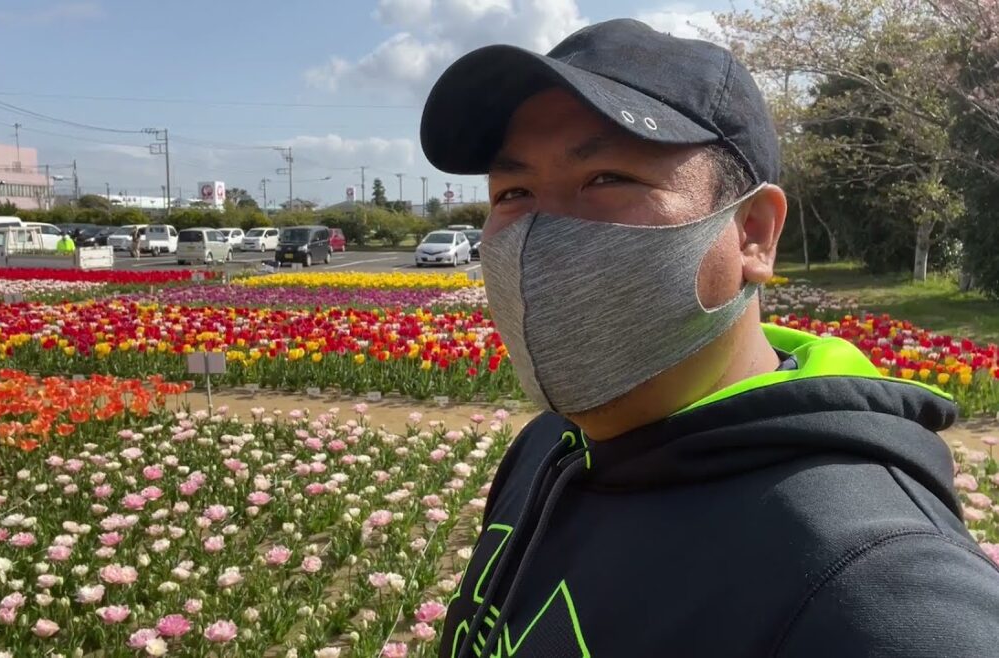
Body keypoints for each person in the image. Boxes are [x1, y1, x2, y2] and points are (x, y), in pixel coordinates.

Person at [419, 18, 999, 658]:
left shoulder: (881, 587)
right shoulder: (547, 446)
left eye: (606, 178)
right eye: (514, 191)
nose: (538, 238)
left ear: (754, 232)